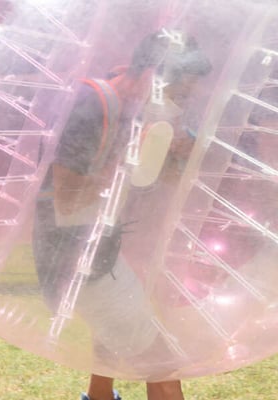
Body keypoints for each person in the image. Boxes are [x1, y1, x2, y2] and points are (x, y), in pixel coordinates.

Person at [33, 30, 211, 400]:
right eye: (178, 94)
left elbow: (154, 177)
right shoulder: (92, 108)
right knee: (161, 363)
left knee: (113, 334)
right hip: (74, 258)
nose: (180, 104)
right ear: (152, 78)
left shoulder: (132, 108)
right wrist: (134, 156)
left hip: (98, 248)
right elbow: (66, 198)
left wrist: (177, 154)